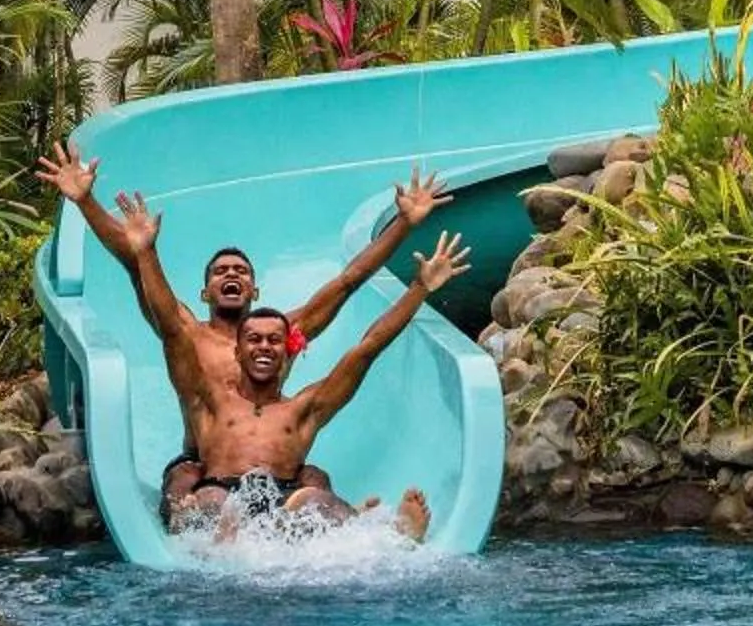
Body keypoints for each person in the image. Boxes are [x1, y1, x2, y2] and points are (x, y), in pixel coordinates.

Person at [36, 139, 446, 514]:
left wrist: (404, 225)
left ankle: (361, 528)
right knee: (186, 485)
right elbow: (136, 261)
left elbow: (349, 282)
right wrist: (87, 202)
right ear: (205, 292)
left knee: (316, 481)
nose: (231, 275)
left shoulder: (284, 329)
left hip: (277, 465)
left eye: (240, 270)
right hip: (205, 461)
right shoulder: (186, 332)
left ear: (255, 288)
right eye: (220, 272)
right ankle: (188, 538)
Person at [100, 187, 468, 539]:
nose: (265, 346)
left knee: (315, 491)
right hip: (209, 471)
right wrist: (142, 249)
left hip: (282, 483)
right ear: (238, 352)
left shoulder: (300, 405)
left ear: (289, 345)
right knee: (199, 494)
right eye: (255, 340)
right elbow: (168, 324)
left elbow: (362, 331)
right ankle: (199, 534)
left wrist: (417, 278)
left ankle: (382, 532)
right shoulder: (204, 384)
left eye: (274, 341)